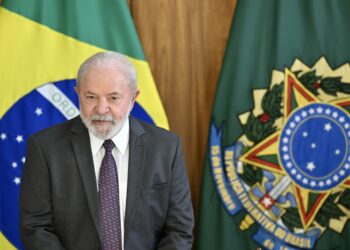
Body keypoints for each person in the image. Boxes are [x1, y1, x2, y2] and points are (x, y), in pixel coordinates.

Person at [19, 51, 194, 250]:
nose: (102, 109)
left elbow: (179, 229)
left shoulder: (166, 147)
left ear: (133, 98)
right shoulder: (45, 148)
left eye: (113, 98)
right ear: (78, 94)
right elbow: (35, 228)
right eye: (91, 97)